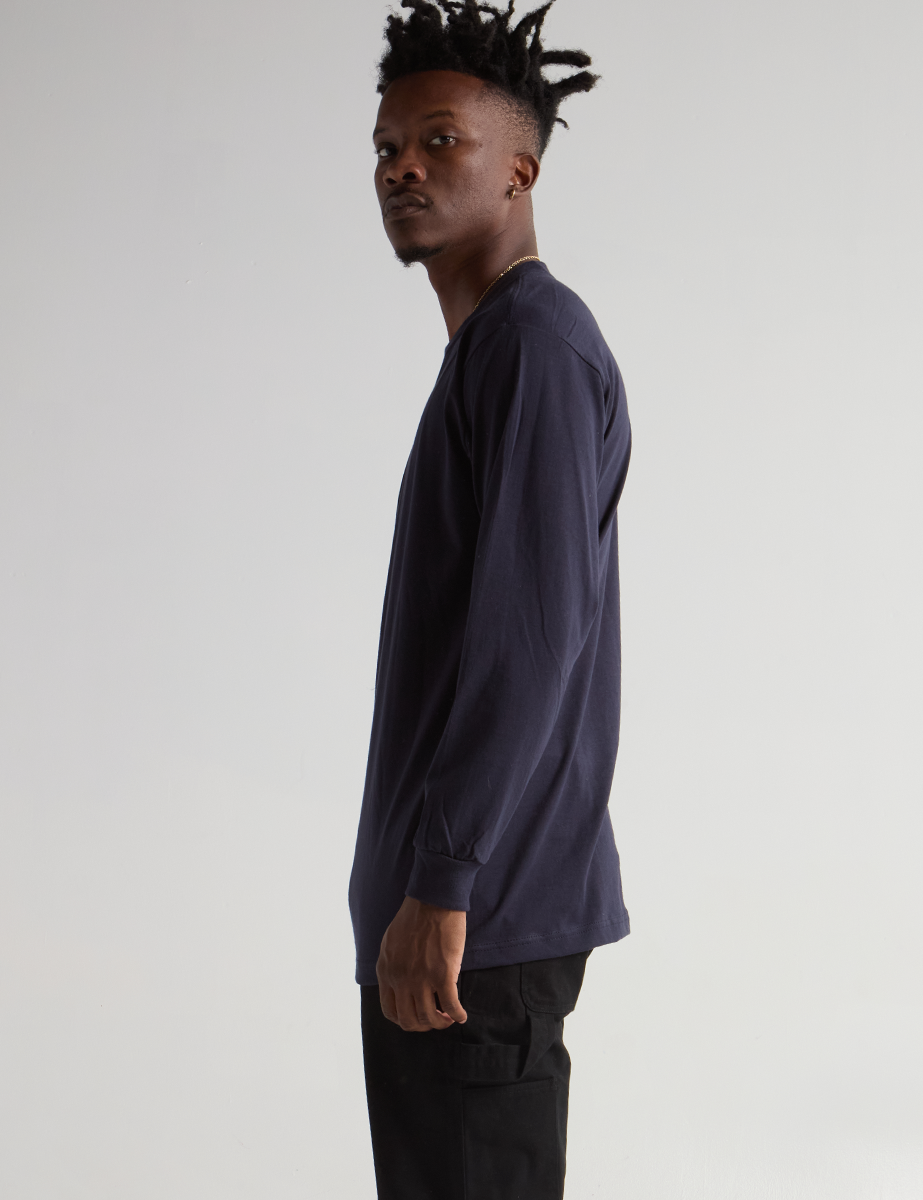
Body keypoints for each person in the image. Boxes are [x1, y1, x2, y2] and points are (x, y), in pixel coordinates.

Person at [348, 2, 631, 1196]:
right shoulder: (492, 353)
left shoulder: (533, 348)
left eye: (439, 141)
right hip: (455, 916)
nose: (401, 166)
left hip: (479, 923)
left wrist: (444, 879)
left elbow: (532, 642)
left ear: (520, 170)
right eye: (387, 146)